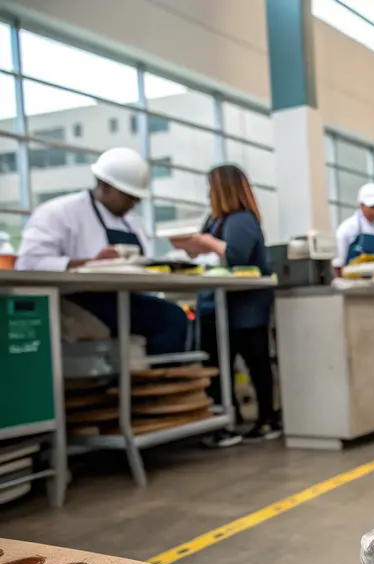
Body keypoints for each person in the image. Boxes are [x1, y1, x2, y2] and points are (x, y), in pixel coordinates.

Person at [16, 147, 188, 355]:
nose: (135, 202)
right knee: (170, 318)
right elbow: (28, 264)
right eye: (128, 196)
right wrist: (91, 263)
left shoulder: (131, 224)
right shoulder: (59, 213)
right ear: (105, 186)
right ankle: (154, 381)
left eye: (137, 198)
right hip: (79, 300)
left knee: (174, 316)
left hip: (125, 297)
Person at [172, 165, 278, 447]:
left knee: (255, 364)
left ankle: (266, 420)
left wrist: (207, 243)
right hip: (217, 307)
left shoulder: (242, 221)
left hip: (244, 310)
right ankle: (224, 421)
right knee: (217, 366)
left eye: (211, 188)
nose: (208, 194)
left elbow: (235, 256)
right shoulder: (215, 221)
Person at [332, 183, 374, 275]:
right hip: (352, 281)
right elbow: (338, 262)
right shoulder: (348, 227)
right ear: (361, 205)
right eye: (372, 207)